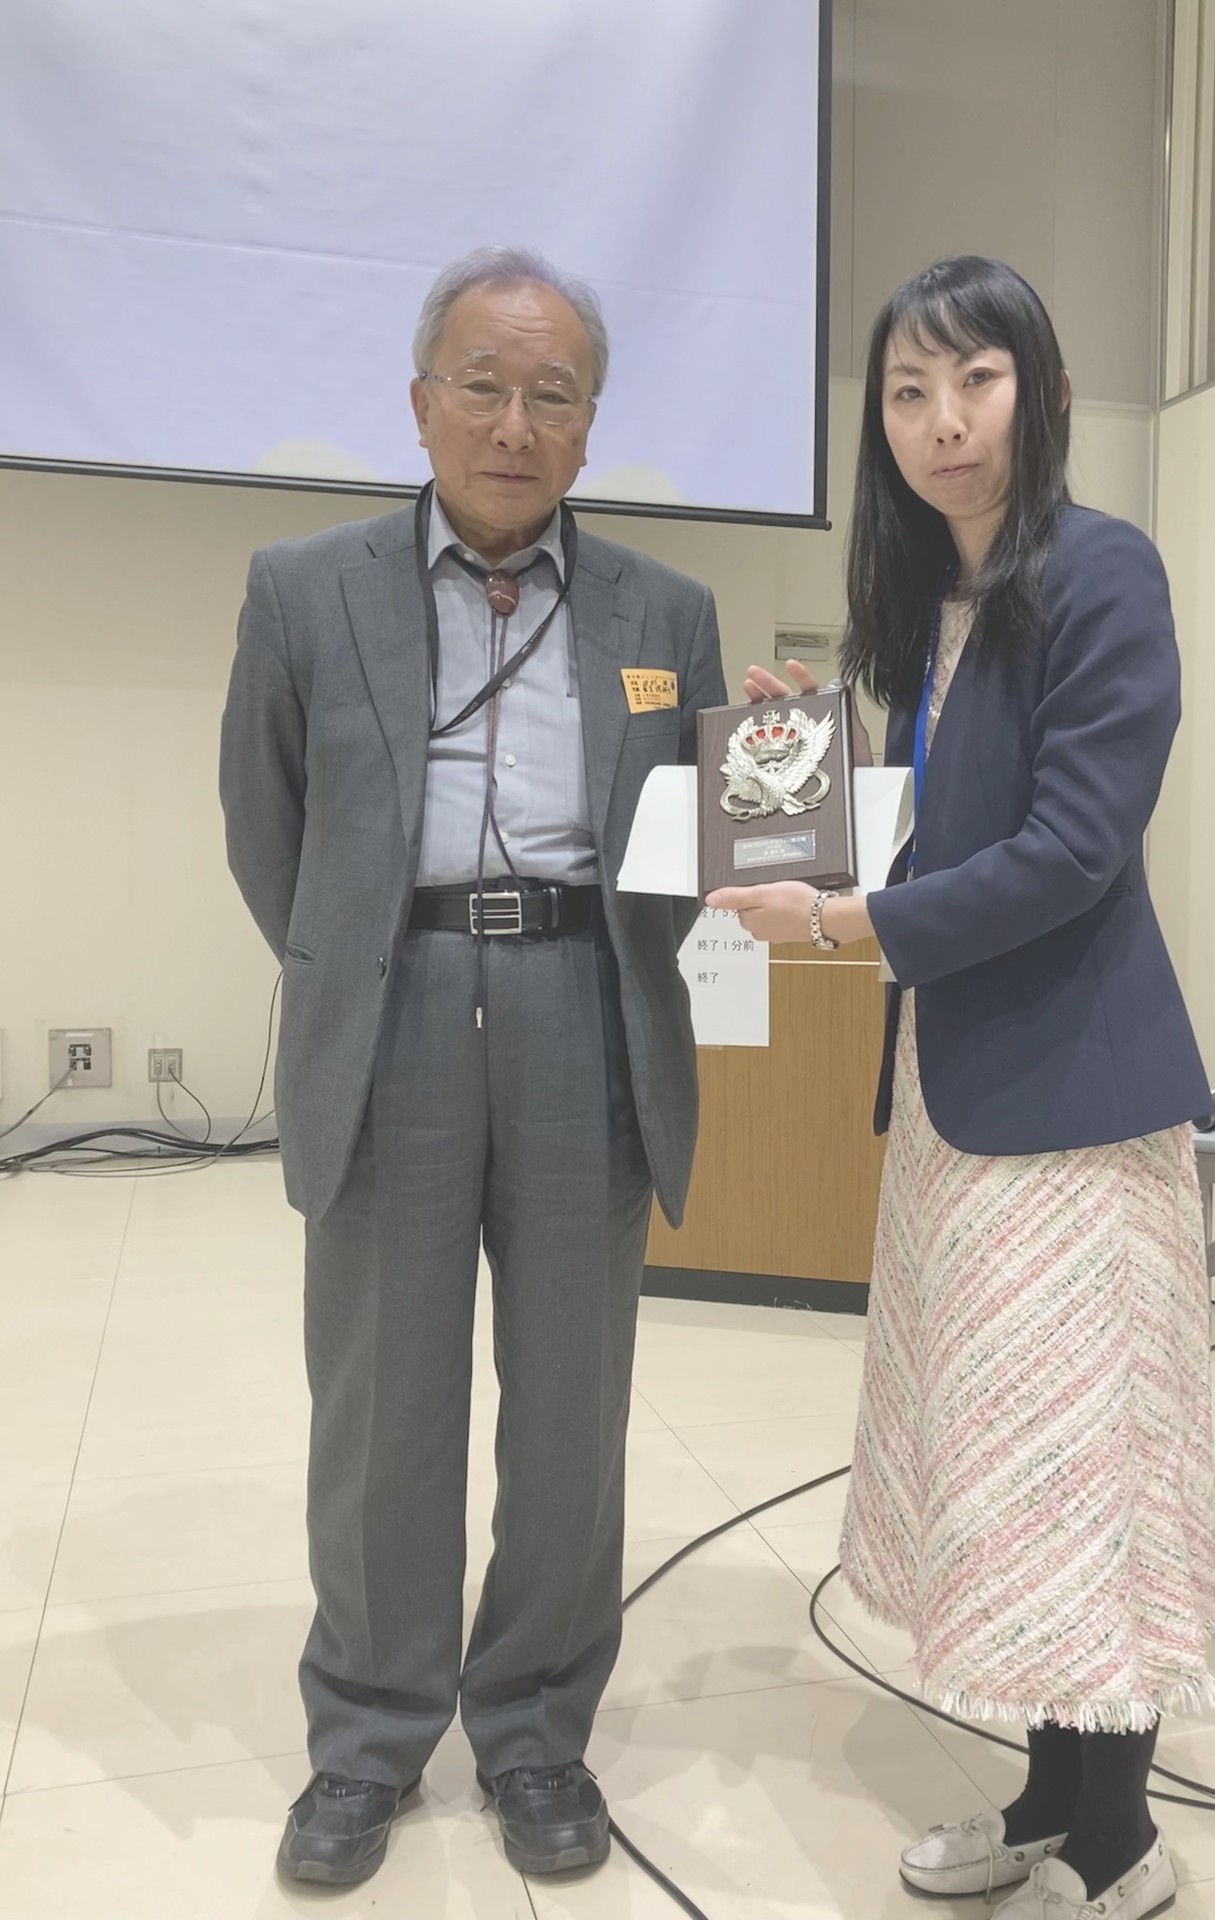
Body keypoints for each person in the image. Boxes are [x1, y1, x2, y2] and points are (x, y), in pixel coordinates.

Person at [710, 255, 1215, 1920]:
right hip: (960, 1102)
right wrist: (807, 771)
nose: (944, 422)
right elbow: (951, 829)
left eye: (977, 382)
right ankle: (1049, 1800)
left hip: (1077, 1111)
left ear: (1046, 394)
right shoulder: (925, 604)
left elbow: (1072, 851)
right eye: (908, 393)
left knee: (1089, 1479)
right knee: (1013, 1474)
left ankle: (1122, 1844)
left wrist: (842, 921)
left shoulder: (1103, 570)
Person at [220, 245, 727, 1888]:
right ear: (423, 400)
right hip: (398, 1008)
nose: (515, 423)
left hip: (588, 1003)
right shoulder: (304, 589)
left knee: (574, 1403)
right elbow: (267, 829)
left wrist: (788, 757)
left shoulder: (668, 612)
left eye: (552, 394)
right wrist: (368, 960)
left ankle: (535, 1730)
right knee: (383, 1399)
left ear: (590, 425)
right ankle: (368, 1735)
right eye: (484, 386)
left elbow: (697, 846)